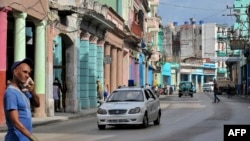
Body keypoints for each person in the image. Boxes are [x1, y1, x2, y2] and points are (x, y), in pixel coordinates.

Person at [4, 58, 40, 141]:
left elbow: (37, 104)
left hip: (25, 138)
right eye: (24, 72)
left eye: (28, 73)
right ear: (15, 72)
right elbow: (15, 121)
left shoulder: (23, 91)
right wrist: (32, 138)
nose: (27, 75)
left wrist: (33, 91)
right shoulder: (11, 93)